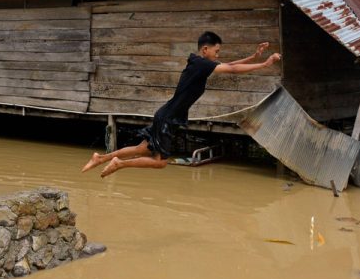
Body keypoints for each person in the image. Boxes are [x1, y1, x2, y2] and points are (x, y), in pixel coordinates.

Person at [81, 31, 281, 178]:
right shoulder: (202, 64)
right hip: (168, 118)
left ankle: (101, 158)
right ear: (205, 49)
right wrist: (264, 65)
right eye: (216, 51)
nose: (218, 55)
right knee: (160, 163)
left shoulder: (198, 64)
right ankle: (119, 164)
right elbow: (233, 69)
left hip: (165, 114)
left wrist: (255, 57)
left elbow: (229, 65)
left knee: (142, 149)